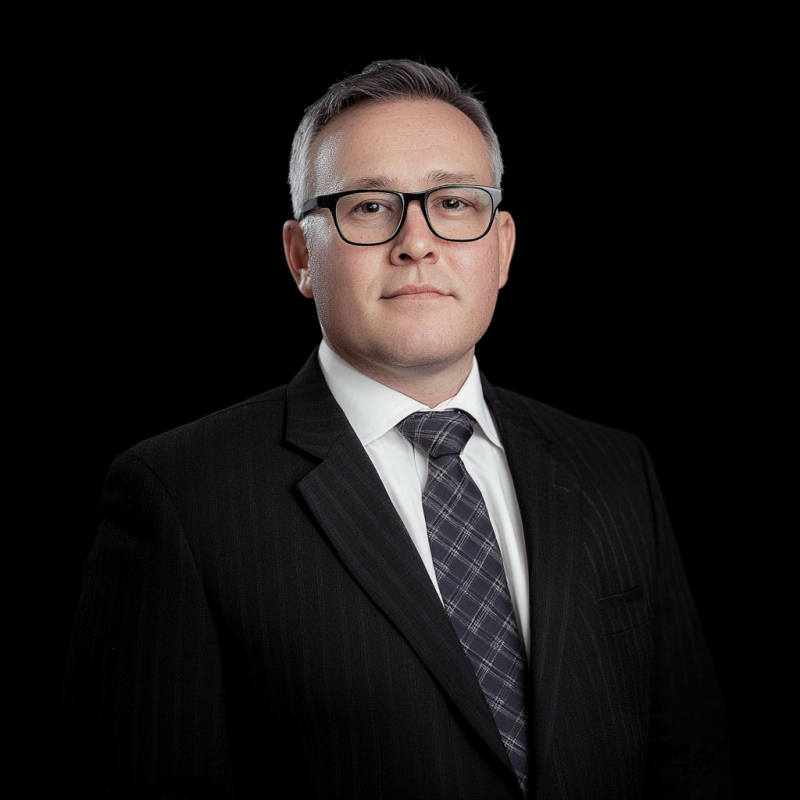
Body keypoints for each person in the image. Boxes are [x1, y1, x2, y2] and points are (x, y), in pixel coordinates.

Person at [60, 60, 730, 799]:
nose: (417, 242)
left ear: (502, 248)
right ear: (301, 257)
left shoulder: (614, 468)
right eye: (371, 206)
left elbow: (689, 762)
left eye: (454, 202)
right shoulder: (180, 497)